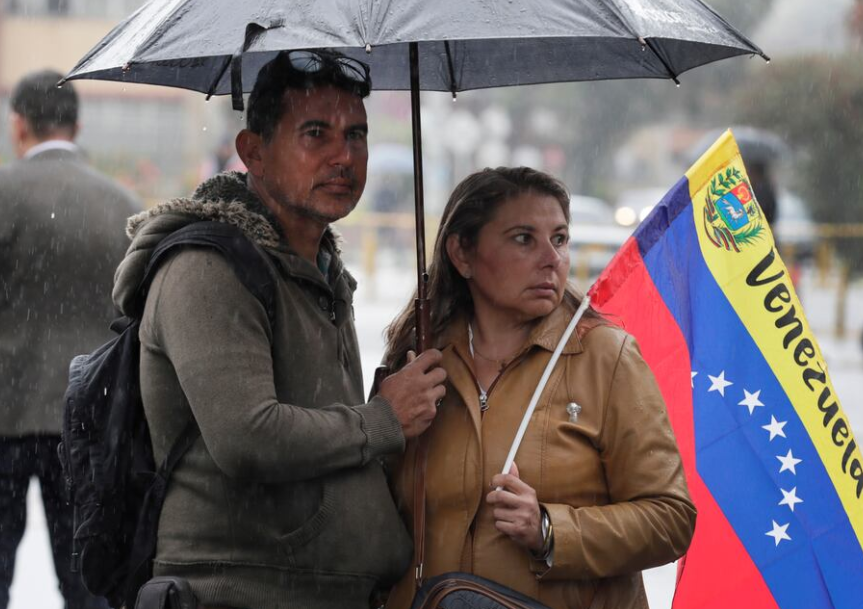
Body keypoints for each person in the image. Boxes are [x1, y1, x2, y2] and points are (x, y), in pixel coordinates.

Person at [111, 50, 445, 608]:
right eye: (316, 133)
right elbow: (248, 438)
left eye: (357, 135)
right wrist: (384, 418)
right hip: (241, 592)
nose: (345, 156)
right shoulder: (209, 267)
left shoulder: (320, 267)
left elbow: (326, 434)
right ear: (254, 152)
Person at [382, 167, 696, 609]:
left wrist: (551, 530)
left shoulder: (607, 358)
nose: (552, 258)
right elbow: (381, 519)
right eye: (523, 239)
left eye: (560, 239)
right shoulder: (419, 362)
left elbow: (671, 519)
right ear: (462, 254)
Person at [0, 69, 139, 609]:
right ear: (77, 124)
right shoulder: (122, 205)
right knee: (86, 580)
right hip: (88, 422)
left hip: (6, 416)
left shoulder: (4, 195)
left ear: (19, 125)